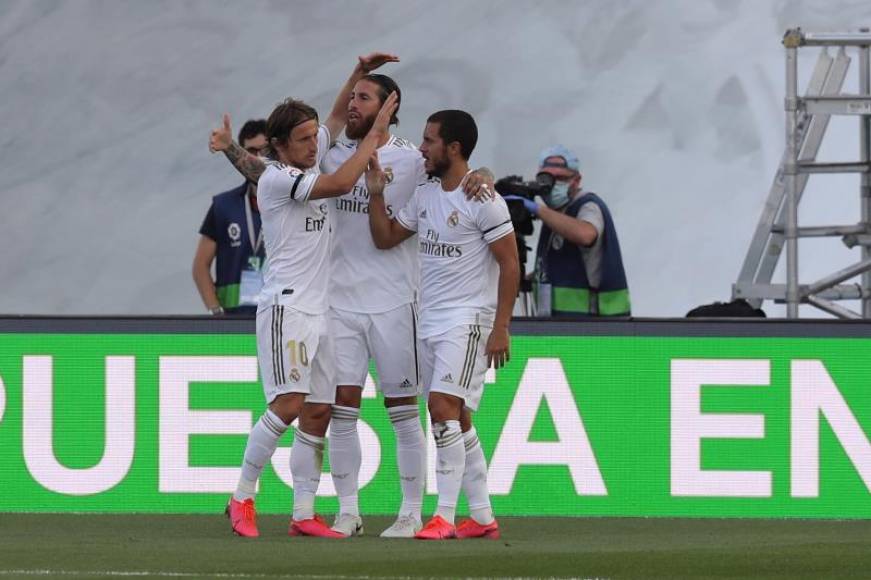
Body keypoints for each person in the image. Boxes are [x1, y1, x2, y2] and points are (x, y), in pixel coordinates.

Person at [212, 72, 494, 538]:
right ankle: (346, 511)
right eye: (353, 98)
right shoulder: (326, 156)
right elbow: (268, 170)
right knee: (336, 408)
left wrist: (484, 176)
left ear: (388, 106)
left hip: (394, 300)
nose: (353, 106)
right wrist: (230, 149)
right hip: (333, 303)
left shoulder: (409, 156)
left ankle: (410, 512)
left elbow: (455, 173)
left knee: (404, 409)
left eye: (365, 98)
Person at [221, 53, 399, 539]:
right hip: (287, 306)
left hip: (319, 309)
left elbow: (338, 118)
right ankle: (241, 497)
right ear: (279, 147)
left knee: (319, 409)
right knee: (289, 404)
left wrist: (358, 73)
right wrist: (378, 130)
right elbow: (344, 181)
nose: (313, 145)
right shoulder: (281, 178)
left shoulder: (307, 153)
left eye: (313, 137)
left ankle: (303, 513)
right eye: (302, 141)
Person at [367, 110, 520, 540]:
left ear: (453, 148)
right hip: (430, 320)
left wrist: (501, 327)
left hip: (468, 319)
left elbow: (510, 264)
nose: (422, 147)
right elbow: (386, 238)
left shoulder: (484, 199)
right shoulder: (427, 194)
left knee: (440, 408)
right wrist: (376, 194)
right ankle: (484, 516)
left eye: (430, 140)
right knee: (460, 417)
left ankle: (444, 517)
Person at [505, 145, 630, 317]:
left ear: (576, 180)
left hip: (592, 325)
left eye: (561, 178)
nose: (553, 185)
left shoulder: (588, 205)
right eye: (547, 179)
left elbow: (586, 235)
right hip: (561, 325)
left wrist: (537, 209)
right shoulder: (556, 213)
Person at [194, 119, 268, 315]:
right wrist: (216, 312)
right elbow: (200, 266)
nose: (259, 157)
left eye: (265, 149)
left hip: (276, 320)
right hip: (233, 324)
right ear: (241, 154)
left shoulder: (291, 204)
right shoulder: (223, 206)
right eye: (251, 151)